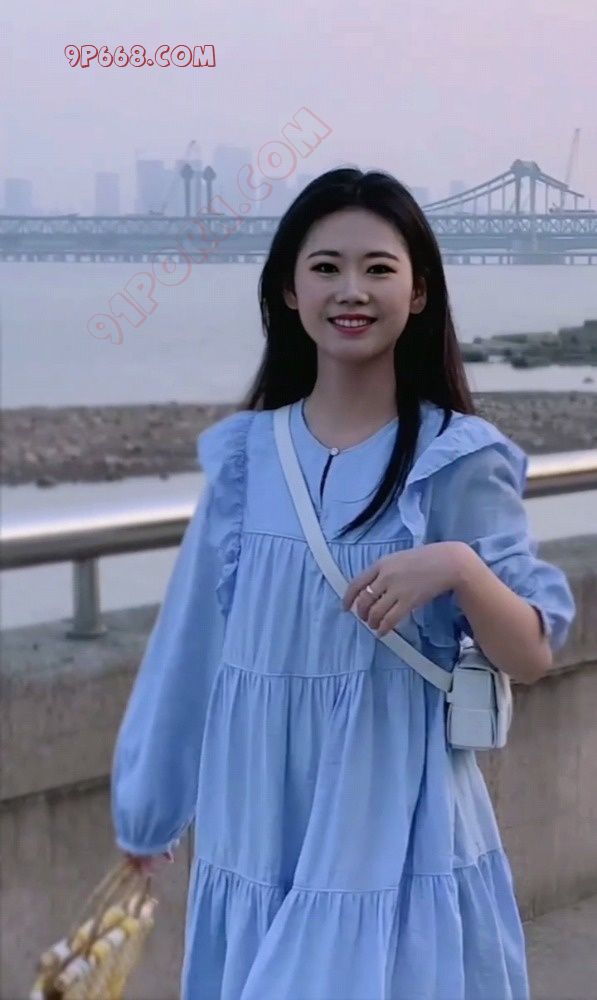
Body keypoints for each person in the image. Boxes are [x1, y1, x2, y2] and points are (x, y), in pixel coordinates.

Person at [111, 168, 576, 999]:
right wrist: (148, 810)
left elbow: (532, 652)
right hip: (257, 816)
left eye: (377, 268)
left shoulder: (456, 459)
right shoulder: (246, 459)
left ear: (418, 292)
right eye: (325, 267)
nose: (350, 290)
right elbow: (188, 646)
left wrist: (457, 568)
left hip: (394, 821)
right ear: (288, 291)